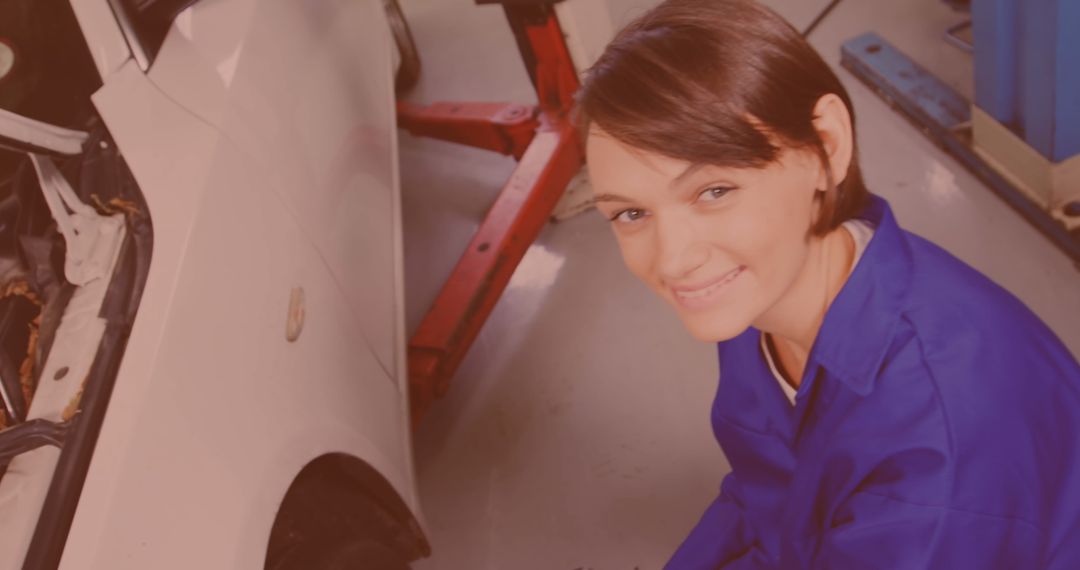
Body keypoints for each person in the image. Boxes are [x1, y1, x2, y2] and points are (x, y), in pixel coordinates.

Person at [575, 0, 1080, 568]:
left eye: (713, 191)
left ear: (826, 147)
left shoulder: (937, 446)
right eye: (631, 214)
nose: (674, 260)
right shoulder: (764, 297)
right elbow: (770, 496)